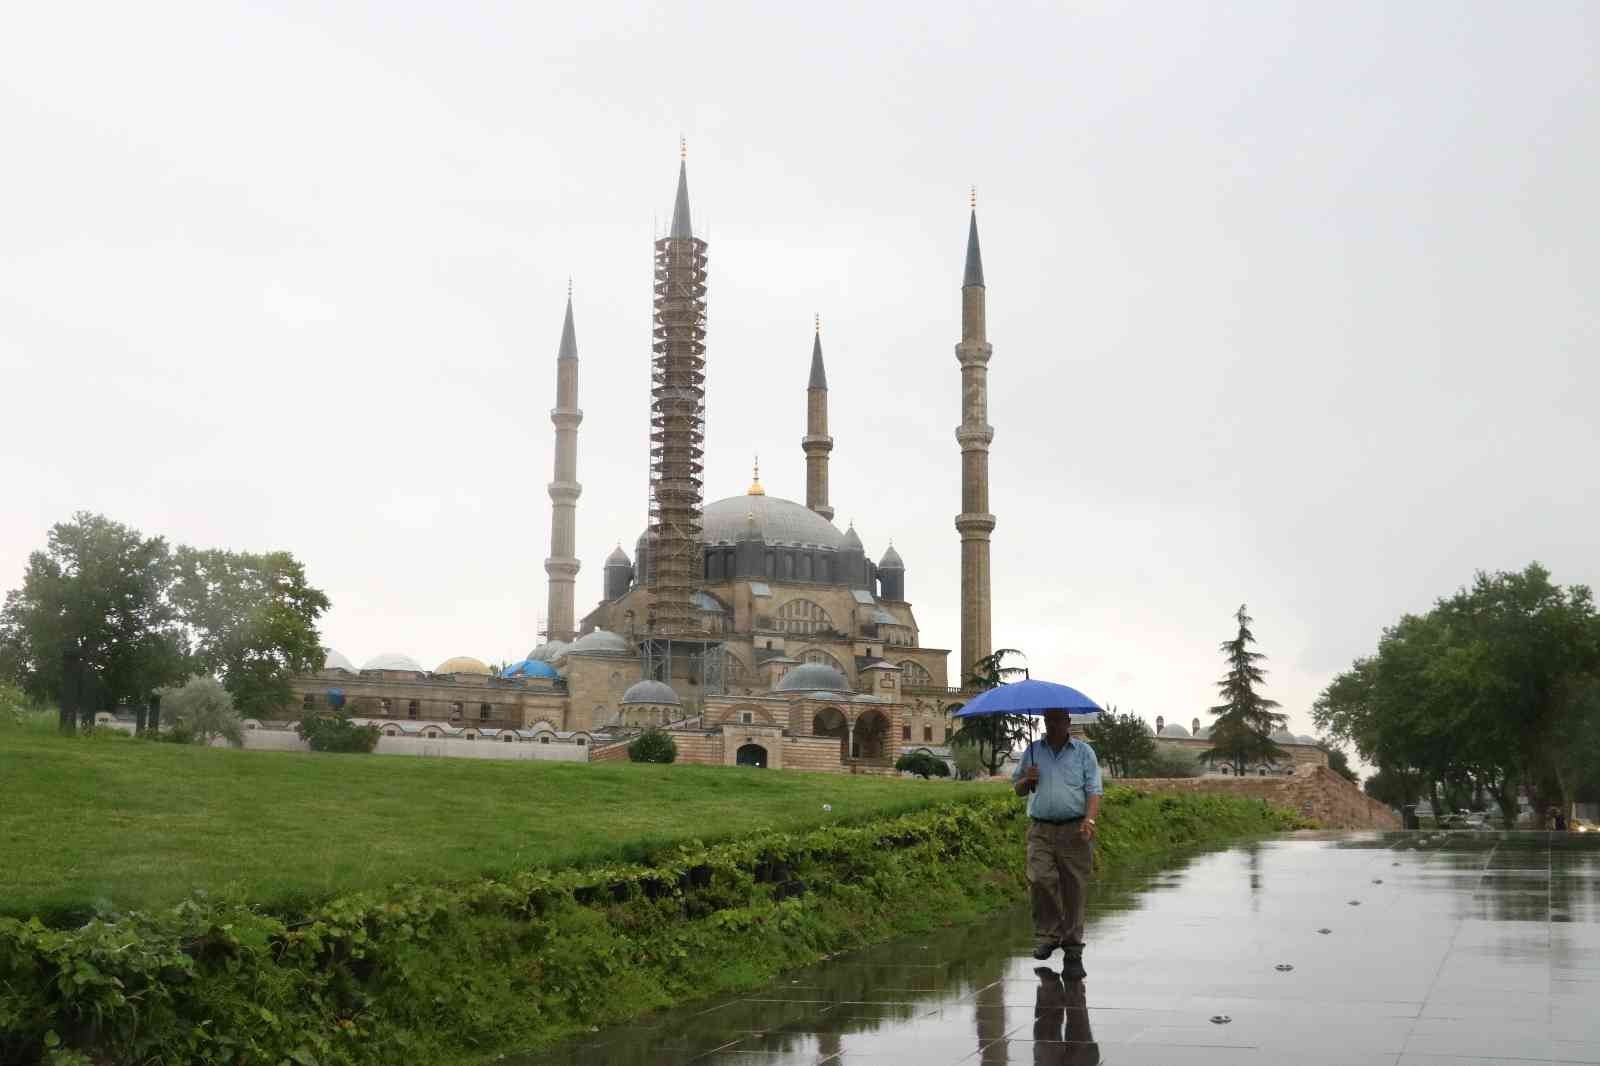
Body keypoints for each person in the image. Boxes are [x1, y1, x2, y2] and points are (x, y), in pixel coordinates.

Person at [1012, 707, 1103, 977]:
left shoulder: (1084, 752)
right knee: (1039, 878)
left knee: (1074, 888)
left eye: (1057, 720)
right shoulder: (1032, 751)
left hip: (1074, 829)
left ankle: (1073, 950)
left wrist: (1090, 820)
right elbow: (1017, 789)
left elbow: (1094, 790)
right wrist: (1028, 780)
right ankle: (1049, 935)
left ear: (1067, 722)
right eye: (1048, 720)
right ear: (1043, 722)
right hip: (1040, 828)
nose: (1052, 725)